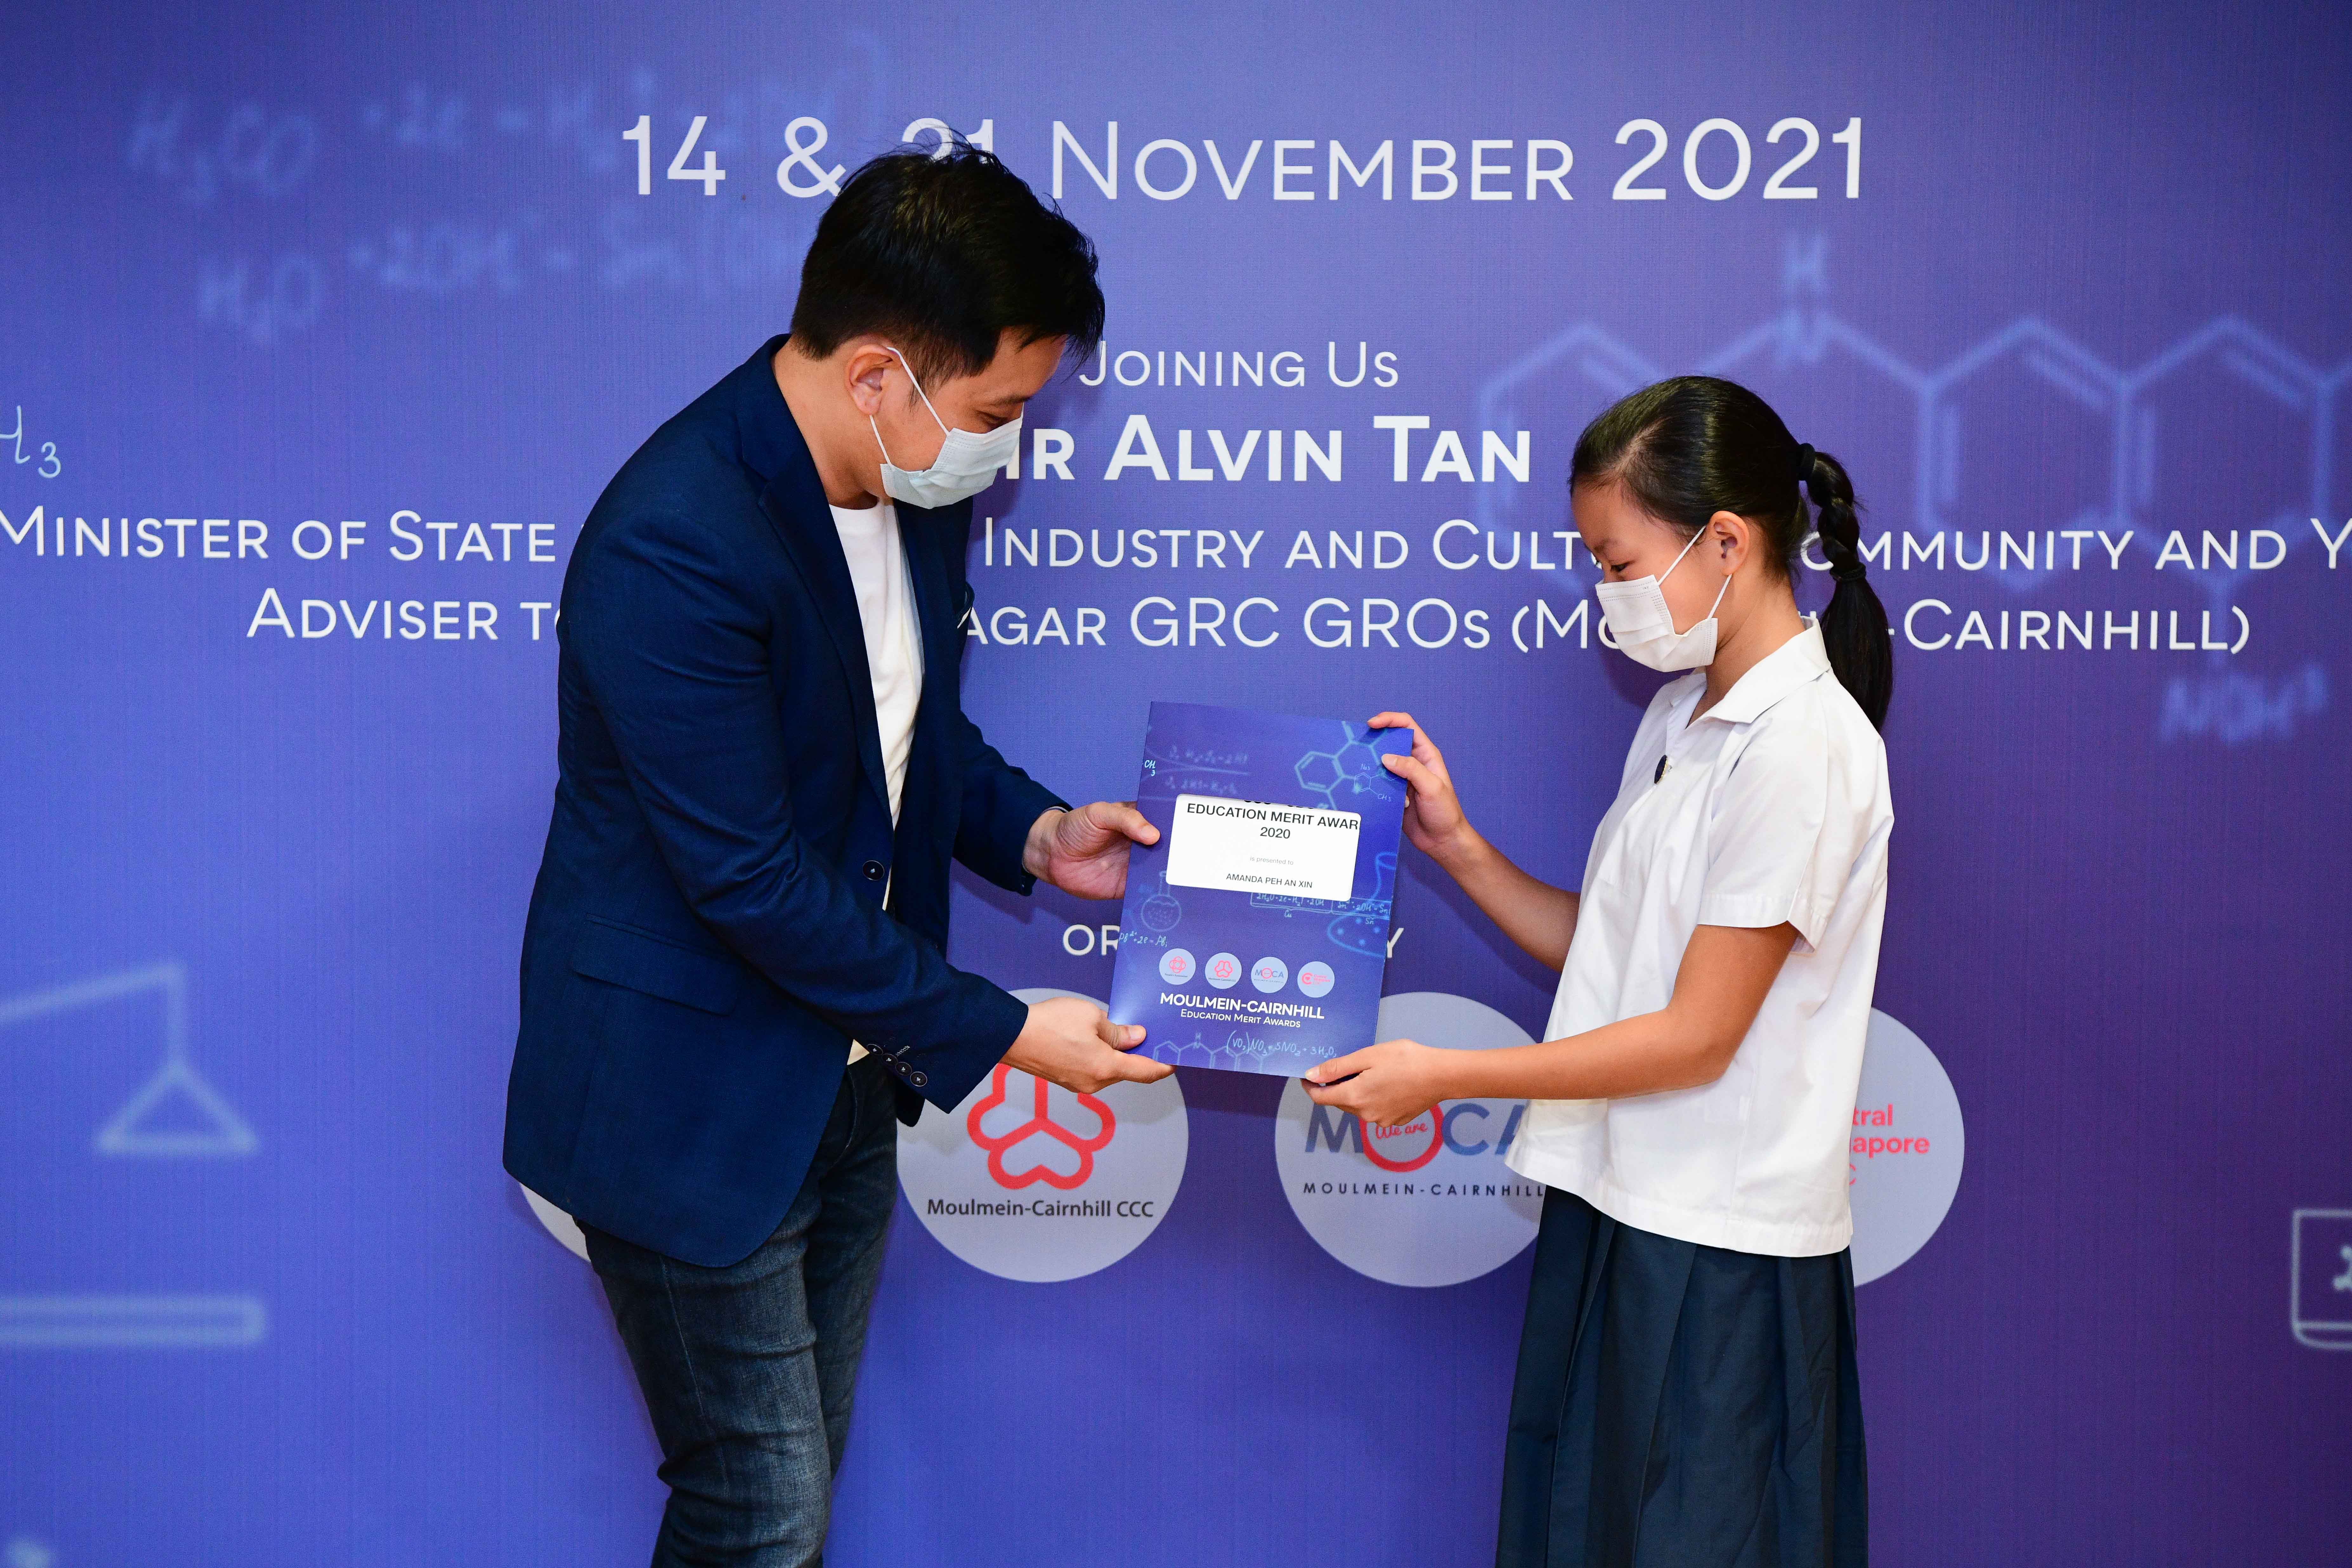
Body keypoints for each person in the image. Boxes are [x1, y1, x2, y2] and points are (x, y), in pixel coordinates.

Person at [504, 146, 1170, 1567]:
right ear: (879, 375)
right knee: (758, 1510)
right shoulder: (675, 538)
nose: (1007, 451)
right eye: (997, 413)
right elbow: (744, 876)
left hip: (850, 1079)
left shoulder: (907, 486)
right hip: (687, 1100)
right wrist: (1007, 1029)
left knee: (791, 1501)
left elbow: (909, 739)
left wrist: (1038, 833)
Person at [1300, 377, 1893, 1565]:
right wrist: (1459, 849)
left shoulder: (1806, 748)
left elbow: (1697, 1034)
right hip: (1615, 1201)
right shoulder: (1681, 713)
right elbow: (1618, 951)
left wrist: (1448, 1076)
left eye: (1616, 562)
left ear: (1725, 542)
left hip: (1718, 1247)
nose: (1603, 592)